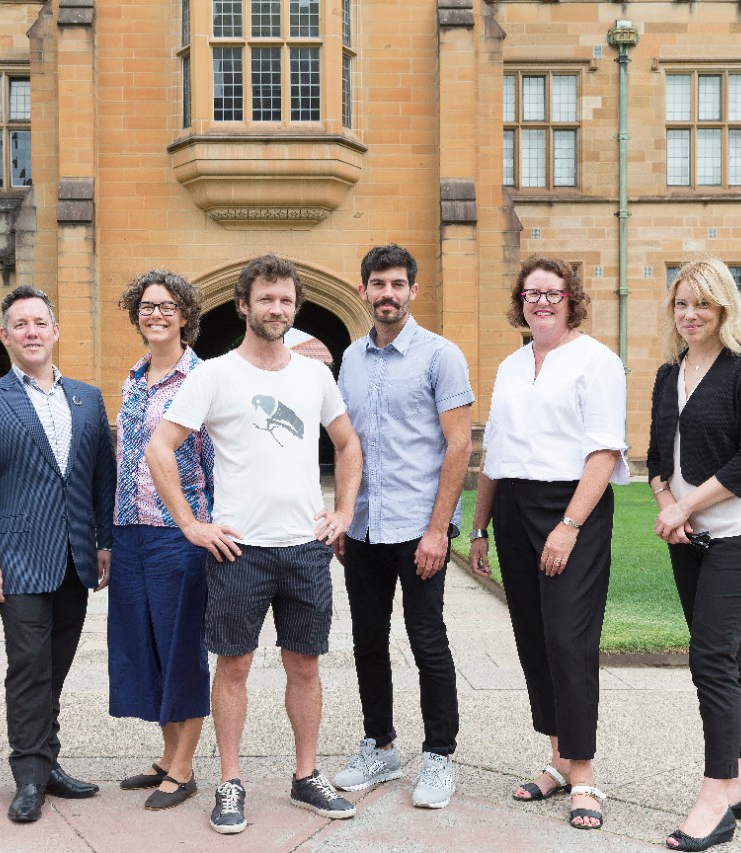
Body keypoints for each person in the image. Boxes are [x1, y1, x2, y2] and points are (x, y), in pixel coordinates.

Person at [146, 254, 363, 836]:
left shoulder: (315, 375)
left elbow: (347, 444)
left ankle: (305, 775)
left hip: (303, 548)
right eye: (266, 299)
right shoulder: (213, 374)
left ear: (296, 306)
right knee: (234, 666)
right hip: (238, 549)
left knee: (305, 666)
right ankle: (231, 780)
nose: (277, 309)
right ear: (244, 305)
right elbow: (159, 447)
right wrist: (193, 524)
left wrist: (342, 511)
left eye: (286, 300)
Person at [467, 255, 628, 831]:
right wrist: (480, 528)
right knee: (533, 636)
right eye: (531, 293)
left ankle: (584, 775)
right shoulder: (511, 365)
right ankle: (558, 758)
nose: (540, 301)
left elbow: (605, 451)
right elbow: (494, 454)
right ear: (521, 299)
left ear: (570, 298)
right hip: (511, 506)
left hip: (570, 507)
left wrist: (569, 525)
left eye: (551, 293)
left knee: (569, 638)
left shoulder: (597, 361)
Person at [0, 284, 115, 824]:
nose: (31, 332)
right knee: (28, 667)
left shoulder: (88, 398)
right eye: (19, 324)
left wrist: (104, 542)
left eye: (39, 322)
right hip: (16, 559)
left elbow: (101, 479)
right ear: (6, 336)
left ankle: (48, 763)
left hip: (74, 558)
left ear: (55, 330)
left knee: (56, 667)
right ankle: (27, 776)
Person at [331, 244, 473, 809]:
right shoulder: (350, 359)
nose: (386, 294)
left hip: (419, 526)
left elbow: (459, 445)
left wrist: (439, 530)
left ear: (412, 290)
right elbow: (348, 448)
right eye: (377, 284)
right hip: (364, 527)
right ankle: (381, 746)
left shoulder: (441, 356)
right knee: (367, 641)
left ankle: (439, 754)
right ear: (363, 289)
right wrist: (344, 514)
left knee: (427, 642)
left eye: (397, 284)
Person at [647, 257, 741, 852]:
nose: (690, 314)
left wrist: (684, 507)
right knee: (730, 654)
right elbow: (655, 459)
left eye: (702, 303)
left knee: (709, 659)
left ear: (724, 306)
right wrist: (666, 507)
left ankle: (716, 797)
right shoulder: (666, 375)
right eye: (681, 303)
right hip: (689, 538)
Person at [109, 269, 214, 811]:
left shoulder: (203, 377)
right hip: (131, 530)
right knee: (145, 646)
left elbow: (216, 462)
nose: (156, 314)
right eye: (147, 306)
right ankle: (168, 755)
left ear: (185, 315)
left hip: (180, 534)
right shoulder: (133, 377)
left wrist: (206, 523)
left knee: (181, 649)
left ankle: (185, 767)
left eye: (167, 306)